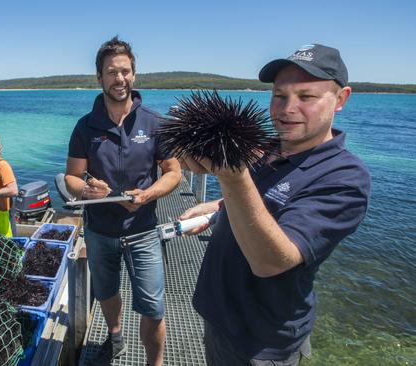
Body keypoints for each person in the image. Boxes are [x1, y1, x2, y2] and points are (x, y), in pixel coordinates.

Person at [179, 44, 371, 365]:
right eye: (279, 96)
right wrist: (216, 209)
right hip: (218, 317)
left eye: (306, 97)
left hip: (261, 342)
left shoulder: (346, 178)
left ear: (341, 99)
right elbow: (262, 200)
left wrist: (232, 177)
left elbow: (270, 262)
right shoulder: (265, 149)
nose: (287, 109)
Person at [65, 36, 181, 366]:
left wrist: (149, 194)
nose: (120, 79)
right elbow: (72, 177)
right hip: (100, 232)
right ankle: (115, 335)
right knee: (105, 292)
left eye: (125, 71)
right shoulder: (85, 127)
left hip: (144, 230)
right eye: (112, 72)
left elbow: (173, 172)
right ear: (99, 77)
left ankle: (153, 363)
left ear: (135, 74)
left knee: (154, 307)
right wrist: (87, 190)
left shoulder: (155, 123)